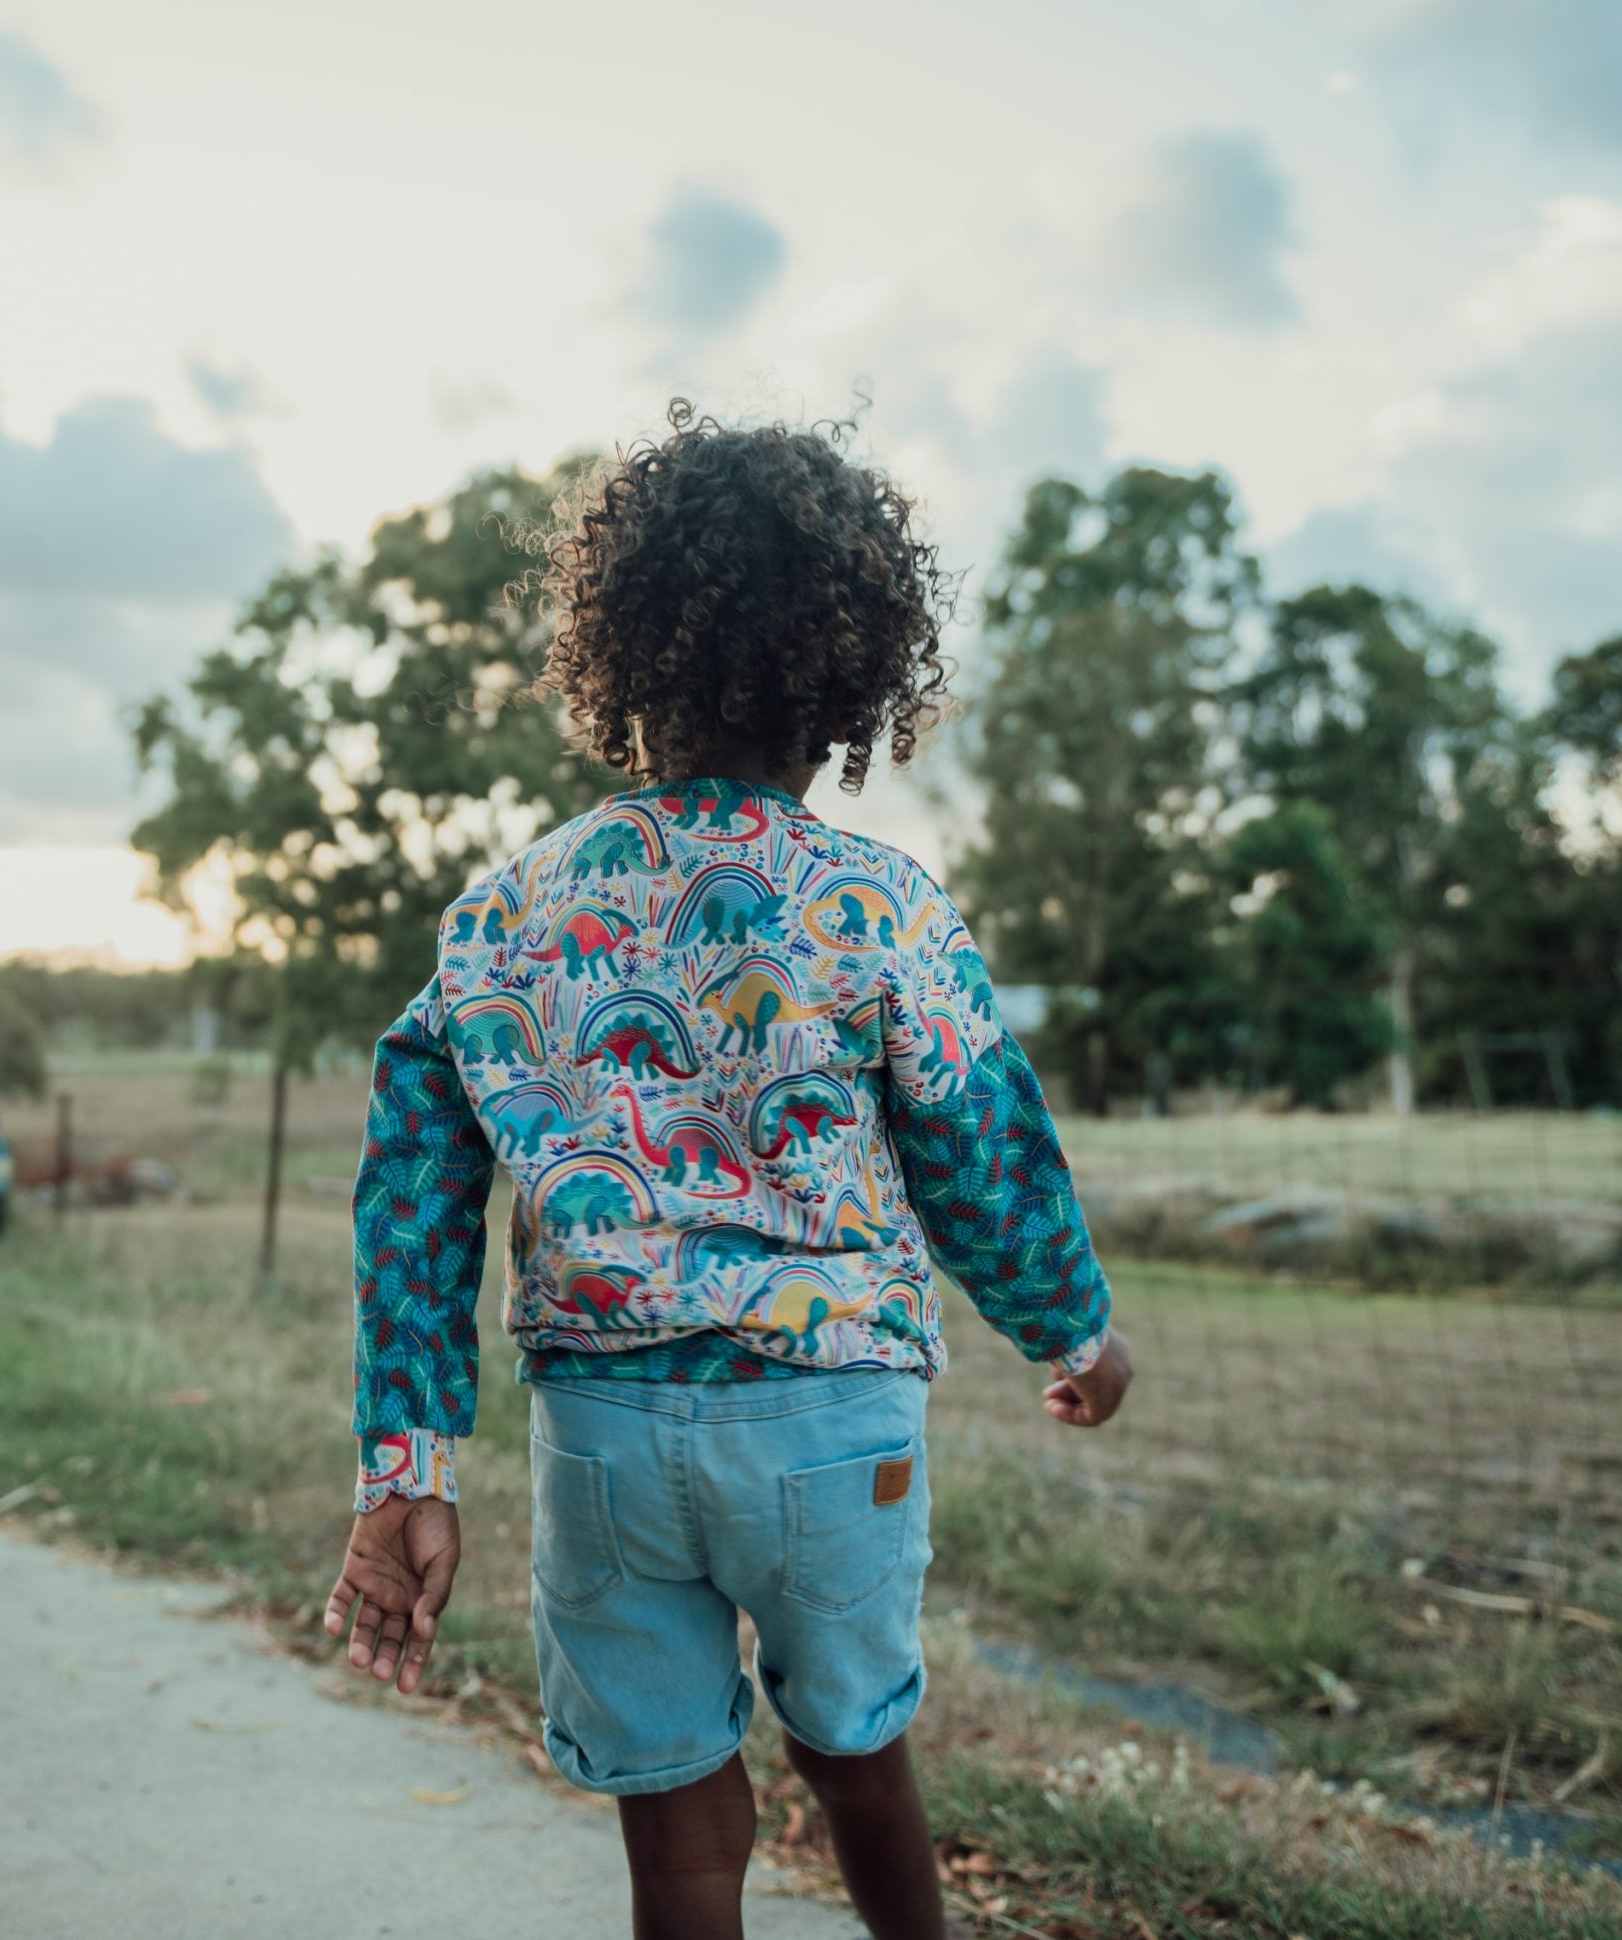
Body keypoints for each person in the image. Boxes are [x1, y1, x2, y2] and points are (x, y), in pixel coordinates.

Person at [323, 402, 1134, 1940]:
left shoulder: (510, 911)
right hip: (835, 1419)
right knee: (860, 1758)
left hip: (606, 1436)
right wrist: (1079, 1336)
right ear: (850, 683)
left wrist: (407, 1475)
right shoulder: (875, 903)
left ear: (615, 665)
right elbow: (984, 1145)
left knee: (684, 1832)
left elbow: (411, 1208)